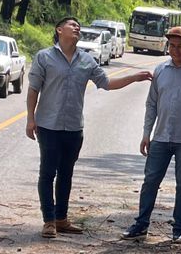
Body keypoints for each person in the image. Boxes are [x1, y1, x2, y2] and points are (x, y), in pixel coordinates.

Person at [26, 17, 151, 237]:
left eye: (78, 26)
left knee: (66, 173)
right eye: (71, 25)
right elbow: (34, 89)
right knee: (48, 173)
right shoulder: (44, 57)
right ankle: (48, 221)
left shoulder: (86, 60)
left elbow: (107, 83)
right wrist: (30, 118)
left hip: (74, 128)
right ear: (59, 29)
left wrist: (134, 77)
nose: (76, 28)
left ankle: (61, 219)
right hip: (48, 125)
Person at [124, 27, 181, 242]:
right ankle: (141, 224)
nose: (176, 50)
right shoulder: (161, 70)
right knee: (150, 181)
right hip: (161, 137)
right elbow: (151, 104)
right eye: (172, 45)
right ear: (167, 46)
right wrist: (146, 133)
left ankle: (179, 227)